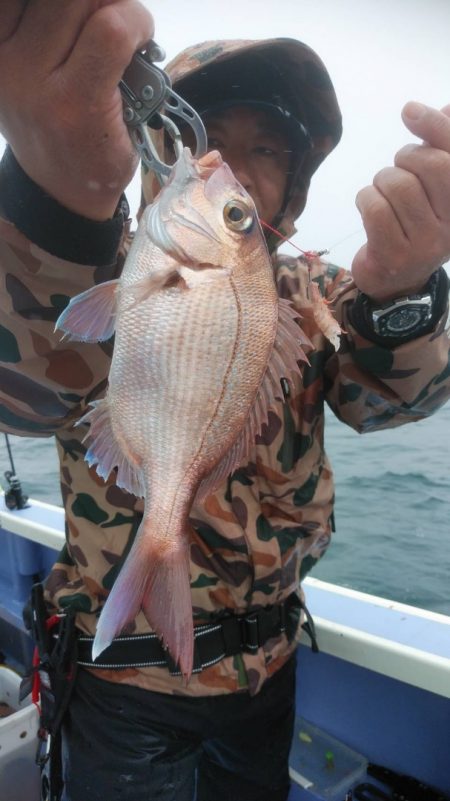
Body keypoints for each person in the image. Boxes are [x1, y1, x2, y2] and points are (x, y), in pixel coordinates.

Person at [1, 3, 450, 801]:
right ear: (151, 146)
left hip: (268, 674)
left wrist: (403, 297)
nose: (229, 165)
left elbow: (387, 402)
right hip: (121, 689)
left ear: (296, 184)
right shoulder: (90, 263)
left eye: (266, 149)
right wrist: (55, 195)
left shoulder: (315, 296)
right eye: (201, 134)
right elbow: (26, 395)